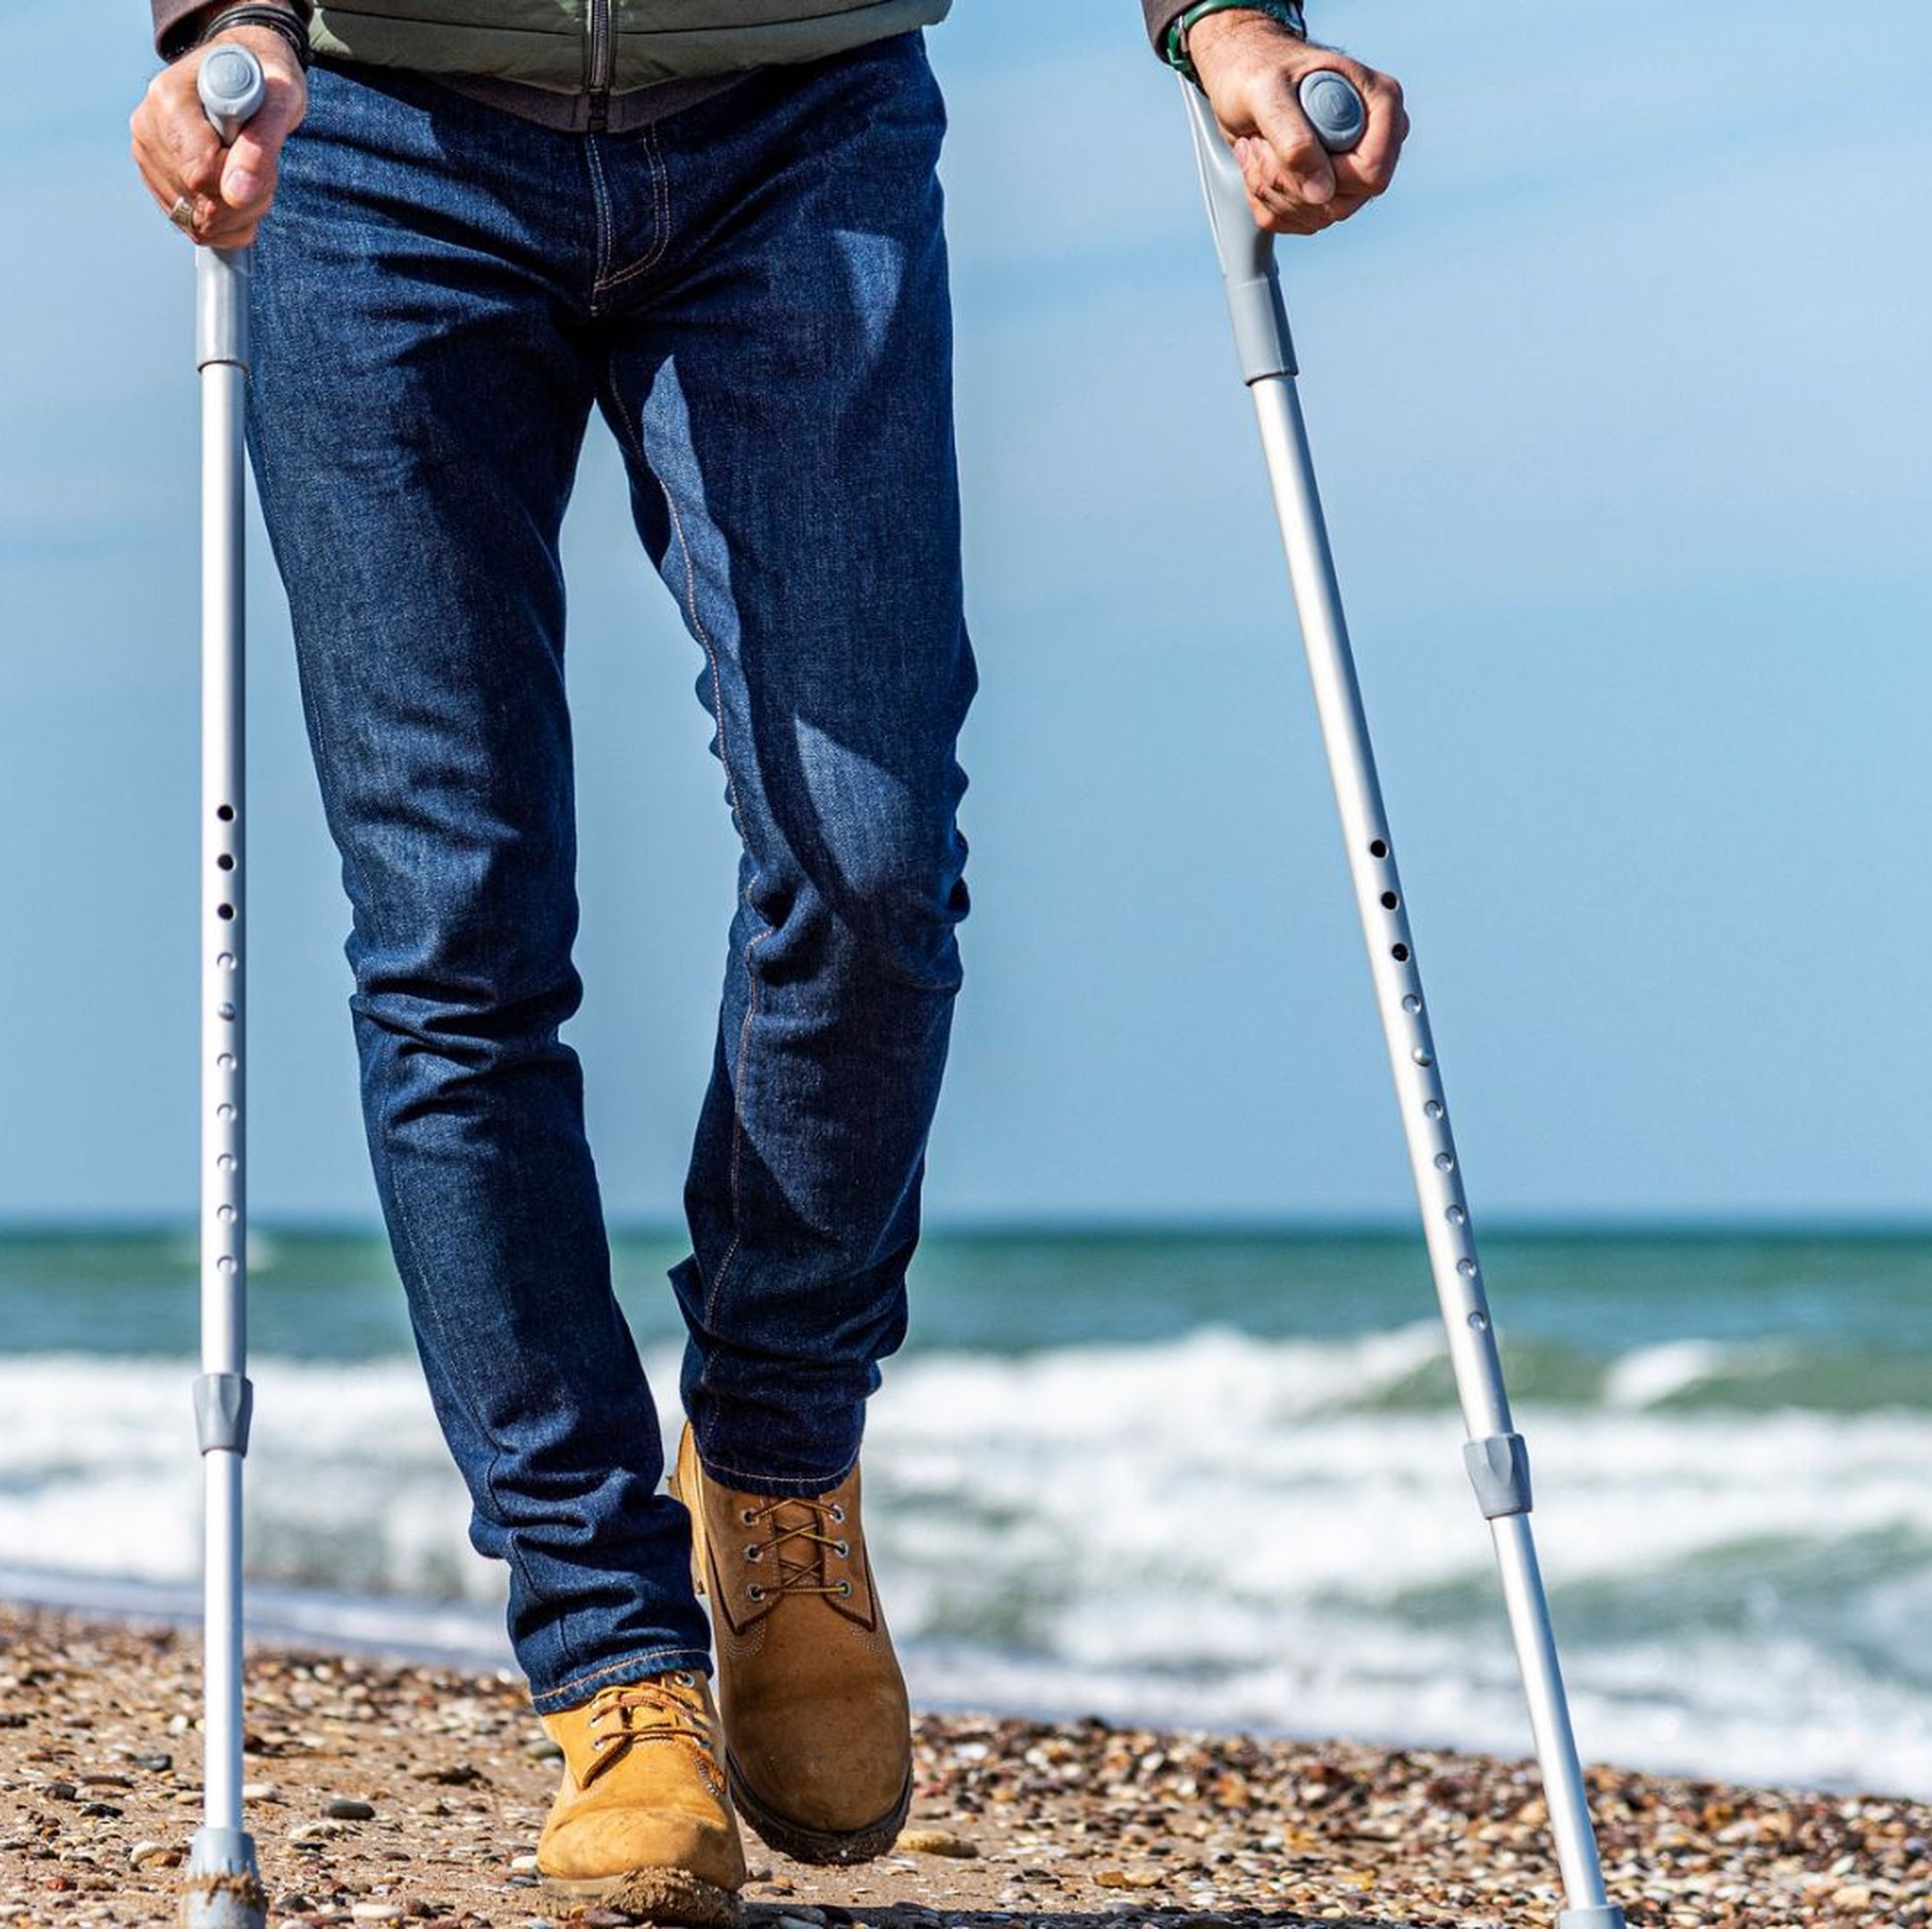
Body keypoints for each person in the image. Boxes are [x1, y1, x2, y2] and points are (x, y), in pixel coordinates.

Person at [130, 5, 1405, 1921]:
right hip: (379, 135)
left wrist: (1223, 16)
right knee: (453, 930)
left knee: (871, 857)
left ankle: (781, 1470)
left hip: (797, 117)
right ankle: (614, 1666)